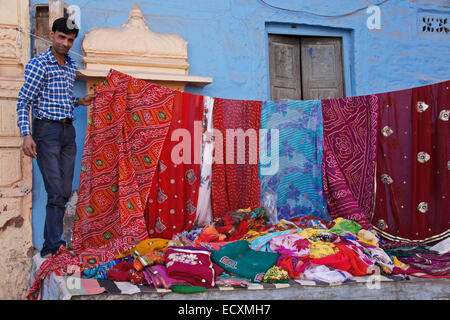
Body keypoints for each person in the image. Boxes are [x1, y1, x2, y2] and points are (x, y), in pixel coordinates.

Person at [16, 17, 94, 258]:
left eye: (70, 40)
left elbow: (58, 99)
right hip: (46, 132)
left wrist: (78, 102)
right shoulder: (39, 64)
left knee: (64, 190)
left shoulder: (70, 66)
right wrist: (26, 134)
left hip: (67, 131)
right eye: (62, 37)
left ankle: (55, 243)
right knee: (55, 190)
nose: (66, 43)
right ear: (52, 35)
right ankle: (51, 246)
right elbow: (24, 101)